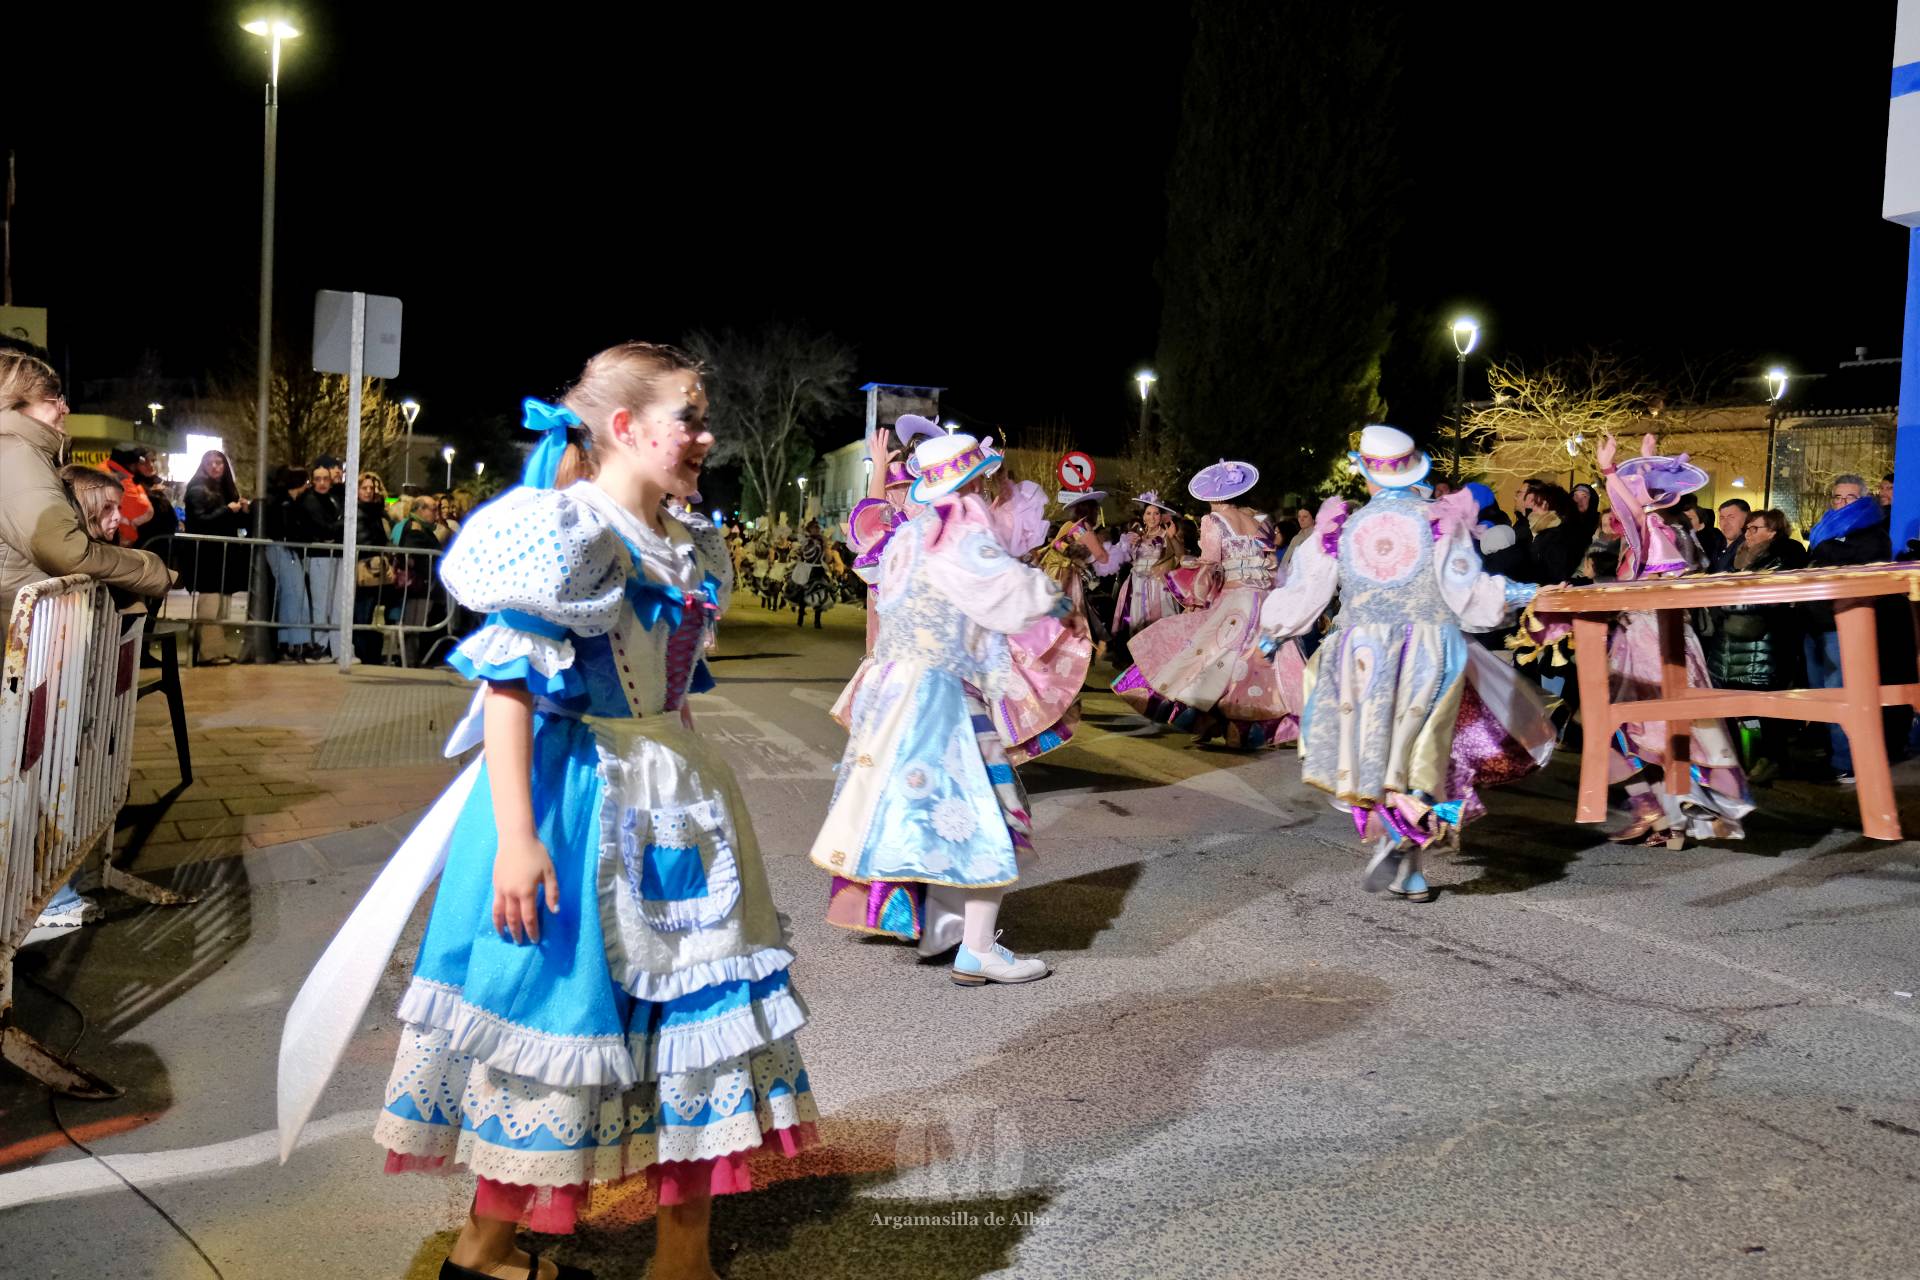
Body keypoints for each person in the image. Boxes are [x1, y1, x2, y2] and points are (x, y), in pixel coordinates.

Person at [280, 343, 817, 1280]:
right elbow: (508, 693)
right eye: (687, 416)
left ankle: (681, 1258)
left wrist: (687, 772)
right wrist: (519, 839)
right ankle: (483, 1252)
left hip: (678, 807)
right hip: (575, 810)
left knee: (696, 1022)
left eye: (700, 416)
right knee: (553, 1019)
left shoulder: (692, 540)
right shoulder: (565, 532)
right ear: (624, 426)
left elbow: (674, 690)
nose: (704, 433)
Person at [811, 429, 1071, 985]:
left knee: (928, 815)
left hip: (893, 692)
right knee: (989, 816)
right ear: (970, 479)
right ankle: (975, 948)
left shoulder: (910, 535)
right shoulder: (960, 526)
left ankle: (947, 930)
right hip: (939, 694)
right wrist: (1056, 598)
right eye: (982, 476)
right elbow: (1001, 588)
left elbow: (884, 574)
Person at [1260, 427, 1551, 901]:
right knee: (1428, 756)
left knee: (1372, 755)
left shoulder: (1341, 527)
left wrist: (1272, 634)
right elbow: (1469, 595)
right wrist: (1525, 594)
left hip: (1359, 656)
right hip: (1430, 651)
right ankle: (1410, 860)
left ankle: (1401, 847)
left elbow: (1305, 594)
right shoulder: (1438, 520)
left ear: (1365, 471)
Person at [1547, 434, 1753, 846]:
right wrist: (1646, 464)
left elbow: (1634, 515)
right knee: (1652, 733)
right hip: (1651, 639)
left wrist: (1609, 470)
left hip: (1652, 645)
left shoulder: (1656, 531)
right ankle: (1666, 818)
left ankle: (1658, 811)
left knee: (1639, 730)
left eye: (1633, 492)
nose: (1616, 508)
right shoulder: (1654, 533)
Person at [1113, 460, 1302, 749]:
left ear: (1214, 496)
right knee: (1250, 664)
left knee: (1205, 657)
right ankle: (1232, 726)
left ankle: (1211, 720)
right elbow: (1272, 566)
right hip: (1262, 600)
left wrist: (1191, 584)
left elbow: (1209, 566)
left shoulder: (1212, 521)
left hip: (1234, 600)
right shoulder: (1261, 522)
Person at [0, 352, 171, 637]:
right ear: (17, 403)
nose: (65, 409)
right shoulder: (16, 455)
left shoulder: (23, 453)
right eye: (54, 399)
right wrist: (150, 567)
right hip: (24, 639)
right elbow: (68, 551)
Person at [1798, 473, 1896, 783]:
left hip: (1844, 624)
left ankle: (1850, 761)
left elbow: (1853, 563)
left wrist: (1825, 548)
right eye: (1837, 498)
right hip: (1815, 621)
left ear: (1863, 499)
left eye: (1849, 498)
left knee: (1843, 692)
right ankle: (1833, 752)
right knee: (1823, 695)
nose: (1841, 503)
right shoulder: (1824, 531)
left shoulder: (1873, 533)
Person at [1705, 509, 1798, 782]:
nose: (1748, 533)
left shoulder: (1782, 556)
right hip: (1729, 644)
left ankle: (1768, 759)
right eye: (1748, 528)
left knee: (1762, 709)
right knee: (1740, 709)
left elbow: (1766, 597)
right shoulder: (1737, 555)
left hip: (1762, 644)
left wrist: (1724, 600)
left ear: (1774, 531)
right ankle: (1747, 758)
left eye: (1755, 528)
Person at [182, 449, 250, 665]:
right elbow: (201, 521)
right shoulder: (197, 489)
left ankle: (215, 651)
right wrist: (228, 511)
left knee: (220, 605)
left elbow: (233, 524)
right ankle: (209, 653)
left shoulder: (226, 490)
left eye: (219, 462)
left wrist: (243, 511)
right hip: (207, 557)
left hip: (222, 557)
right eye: (210, 462)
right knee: (210, 604)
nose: (215, 466)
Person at [1109, 492, 1184, 664]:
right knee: (1136, 623)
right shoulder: (1135, 537)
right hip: (1135, 586)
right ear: (1143, 516)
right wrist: (1127, 546)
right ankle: (1137, 663)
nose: (1152, 517)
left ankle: (1160, 662)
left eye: (1156, 513)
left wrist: (1173, 537)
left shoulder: (1168, 534)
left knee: (1159, 624)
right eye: (1148, 513)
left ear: (1161, 516)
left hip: (1158, 586)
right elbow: (1122, 561)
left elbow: (1180, 556)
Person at [390, 490, 454, 666]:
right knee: (413, 625)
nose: (436, 513)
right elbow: (417, 555)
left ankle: (412, 659)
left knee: (417, 624)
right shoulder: (415, 528)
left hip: (423, 585)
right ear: (421, 510)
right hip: (418, 585)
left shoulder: (423, 528)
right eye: (433, 509)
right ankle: (409, 661)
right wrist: (432, 569)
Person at [296, 462, 347, 661]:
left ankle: (330, 646)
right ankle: (320, 646)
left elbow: (330, 529)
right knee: (321, 604)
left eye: (325, 479)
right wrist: (338, 525)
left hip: (331, 555)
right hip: (319, 556)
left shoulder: (332, 499)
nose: (322, 483)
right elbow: (323, 528)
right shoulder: (310, 501)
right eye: (318, 479)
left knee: (333, 605)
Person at [353, 473, 395, 665]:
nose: (369, 492)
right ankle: (363, 653)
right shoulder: (358, 511)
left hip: (376, 568)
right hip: (364, 566)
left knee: (369, 614)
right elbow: (365, 539)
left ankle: (367, 653)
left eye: (372, 488)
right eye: (365, 488)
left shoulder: (378, 511)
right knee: (361, 614)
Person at [1511, 479, 1585, 584]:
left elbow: (1553, 576)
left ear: (1549, 506)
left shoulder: (1555, 537)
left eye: (1537, 502)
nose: (1533, 508)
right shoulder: (1541, 533)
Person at [103, 443, 157, 546]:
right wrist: (140, 490)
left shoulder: (102, 469)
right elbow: (144, 511)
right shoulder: (122, 479)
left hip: (110, 539)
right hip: (118, 542)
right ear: (132, 465)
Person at [1711, 498, 1751, 572]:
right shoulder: (1716, 542)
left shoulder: (1749, 546)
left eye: (1731, 517)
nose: (1725, 523)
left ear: (1746, 519)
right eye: (1722, 518)